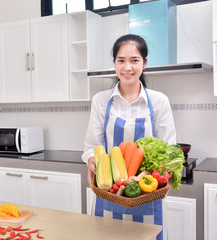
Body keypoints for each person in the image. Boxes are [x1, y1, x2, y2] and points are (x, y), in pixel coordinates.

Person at [82, 34, 176, 240]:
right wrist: (91, 160)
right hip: (109, 191)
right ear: (114, 63)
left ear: (145, 63)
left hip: (146, 193)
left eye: (134, 60)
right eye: (121, 60)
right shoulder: (101, 100)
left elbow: (169, 148)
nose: (127, 67)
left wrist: (165, 174)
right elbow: (91, 146)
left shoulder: (159, 101)